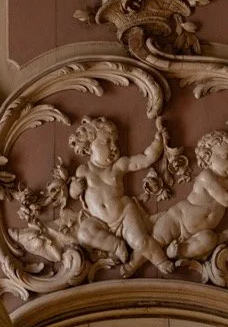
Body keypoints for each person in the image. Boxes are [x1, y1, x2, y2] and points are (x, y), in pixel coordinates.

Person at [68, 116, 173, 275]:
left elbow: (145, 159)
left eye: (115, 142)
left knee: (140, 241)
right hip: (99, 221)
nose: (114, 147)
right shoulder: (83, 171)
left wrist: (158, 141)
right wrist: (75, 189)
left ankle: (160, 260)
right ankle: (116, 245)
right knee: (84, 233)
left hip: (124, 214)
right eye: (107, 142)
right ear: (89, 147)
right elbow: (74, 194)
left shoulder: (119, 166)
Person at [152, 129, 228, 260]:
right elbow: (226, 200)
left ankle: (178, 251)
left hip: (201, 232)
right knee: (156, 240)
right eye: (226, 156)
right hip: (179, 218)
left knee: (210, 240)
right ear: (208, 156)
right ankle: (132, 264)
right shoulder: (207, 176)